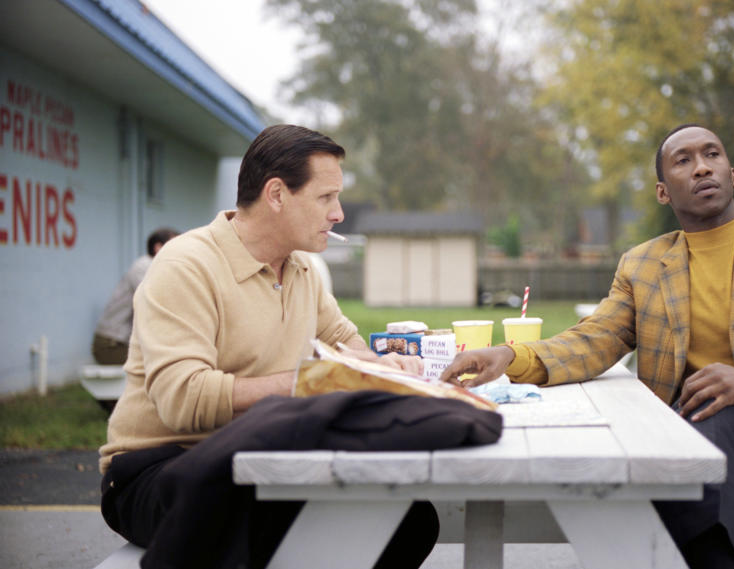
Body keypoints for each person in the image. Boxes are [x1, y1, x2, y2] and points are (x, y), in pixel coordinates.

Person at [440, 124, 734, 568]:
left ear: (733, 174)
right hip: (688, 436)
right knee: (703, 462)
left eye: (712, 155)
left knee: (672, 498)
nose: (702, 167)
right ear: (664, 193)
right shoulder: (642, 265)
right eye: (684, 160)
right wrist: (510, 356)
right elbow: (596, 338)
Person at [98, 125, 501, 569]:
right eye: (326, 198)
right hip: (158, 470)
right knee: (304, 524)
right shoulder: (185, 265)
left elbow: (345, 344)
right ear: (276, 194)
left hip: (255, 458)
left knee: (409, 519)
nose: (339, 214)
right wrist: (314, 382)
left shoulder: (301, 269)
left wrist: (387, 366)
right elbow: (184, 400)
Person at [91, 227, 179, 365]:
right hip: (110, 345)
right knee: (162, 365)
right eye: (174, 245)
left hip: (121, 344)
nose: (180, 250)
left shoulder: (157, 267)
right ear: (158, 247)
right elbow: (159, 301)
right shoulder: (144, 267)